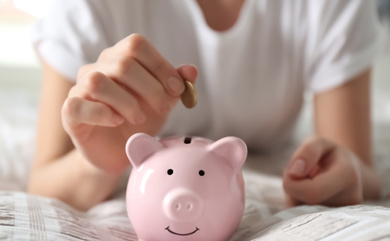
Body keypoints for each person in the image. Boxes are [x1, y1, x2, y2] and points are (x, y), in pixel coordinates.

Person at [28, 0, 381, 211]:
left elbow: (356, 165)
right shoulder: (87, 6)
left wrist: (343, 171)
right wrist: (102, 164)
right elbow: (43, 184)